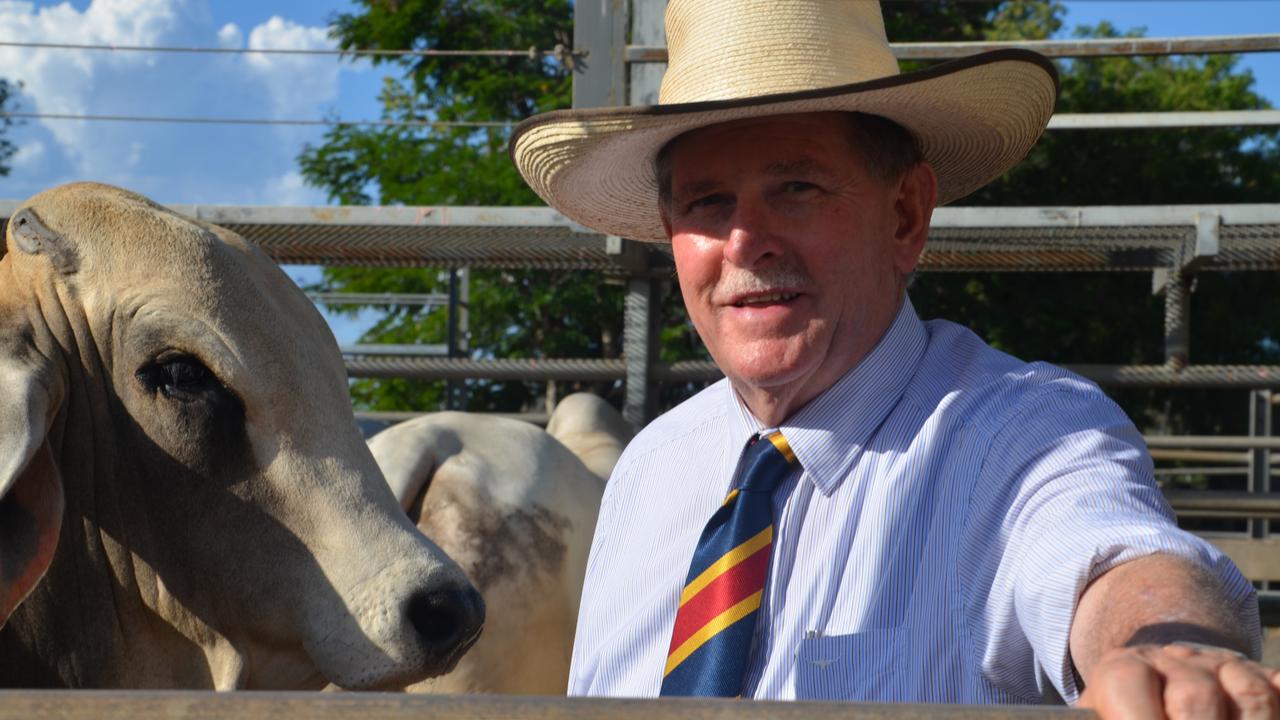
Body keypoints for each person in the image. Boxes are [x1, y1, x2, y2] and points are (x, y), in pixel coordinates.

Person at [510, 1, 1277, 715]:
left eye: (797, 187)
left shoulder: (1023, 436)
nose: (745, 241)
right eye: (707, 203)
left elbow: (1113, 557)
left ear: (906, 215)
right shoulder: (649, 472)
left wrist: (1168, 652)